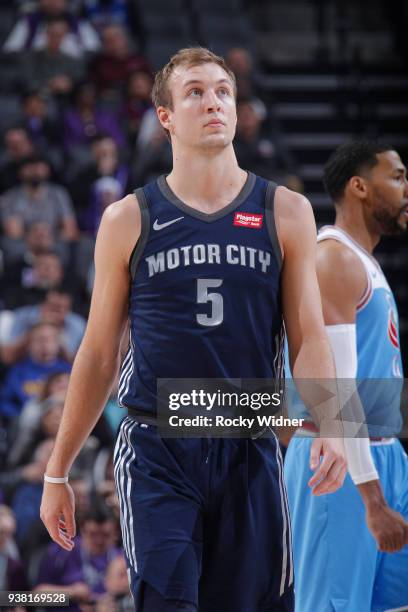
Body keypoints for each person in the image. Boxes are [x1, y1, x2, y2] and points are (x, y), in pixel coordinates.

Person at [40, 47, 347, 612]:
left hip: (249, 443)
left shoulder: (288, 210)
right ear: (165, 116)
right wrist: (57, 471)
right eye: (196, 92)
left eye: (223, 91)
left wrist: (334, 422)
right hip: (158, 446)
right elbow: (99, 352)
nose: (214, 102)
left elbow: (310, 335)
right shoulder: (129, 218)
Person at [284, 140, 408, 612]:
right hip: (337, 462)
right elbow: (337, 393)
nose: (405, 188)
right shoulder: (333, 258)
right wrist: (372, 498)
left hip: (385, 453)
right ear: (358, 186)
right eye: (396, 177)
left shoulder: (365, 262)